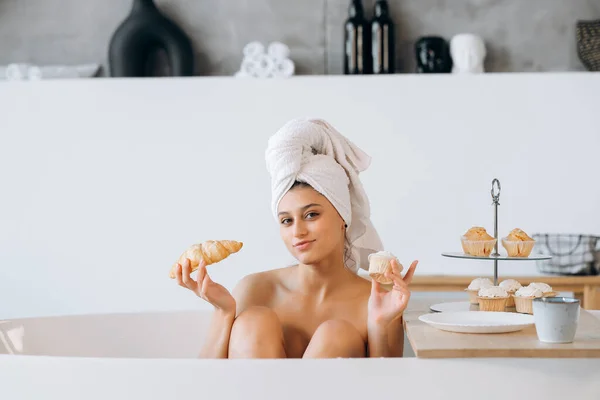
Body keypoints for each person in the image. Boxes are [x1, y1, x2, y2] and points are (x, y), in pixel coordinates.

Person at [174, 118, 418, 358]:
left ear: (343, 216)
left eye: (311, 215)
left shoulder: (373, 301)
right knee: (254, 322)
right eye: (286, 221)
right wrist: (224, 312)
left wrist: (380, 324)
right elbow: (206, 383)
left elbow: (384, 389)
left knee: (337, 334)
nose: (297, 231)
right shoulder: (255, 290)